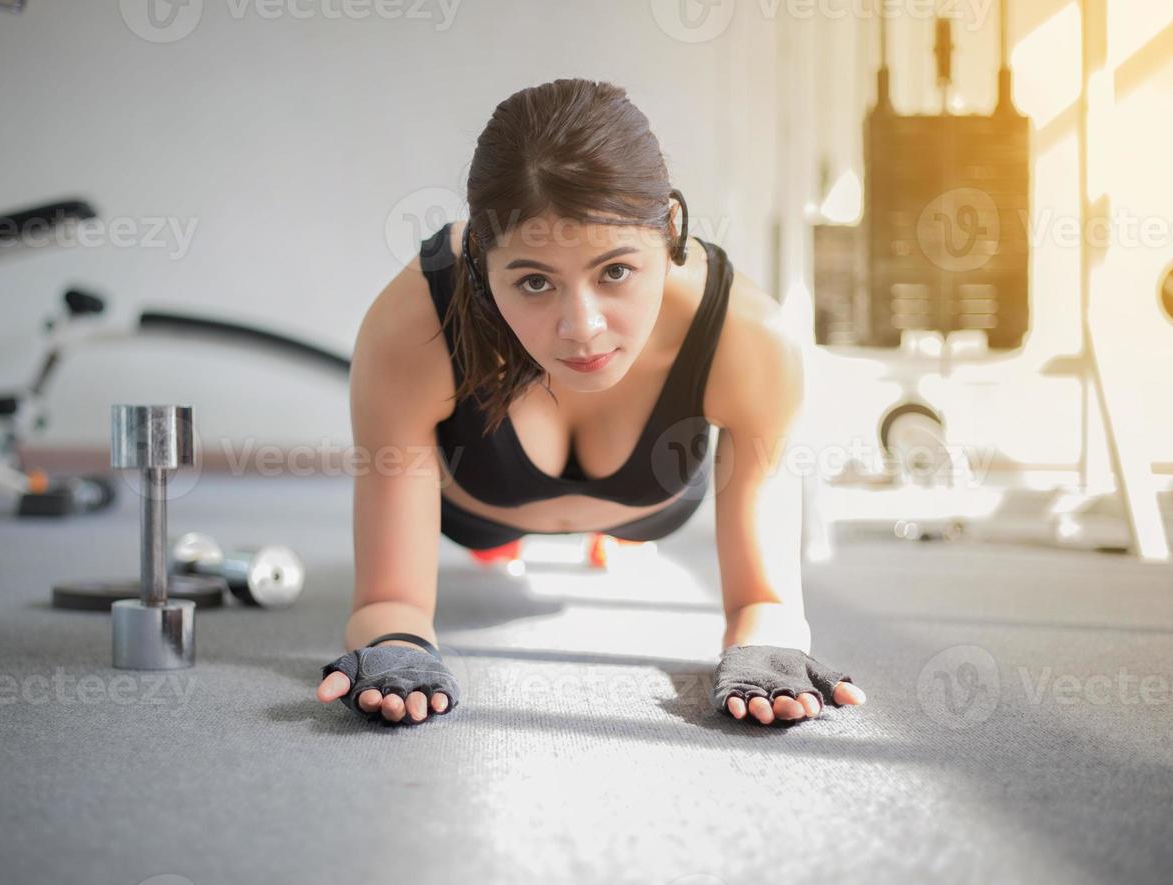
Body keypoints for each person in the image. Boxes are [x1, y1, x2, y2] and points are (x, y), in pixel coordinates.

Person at [317, 78, 865, 727]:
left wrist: (769, 650)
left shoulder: (752, 339)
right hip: (478, 510)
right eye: (533, 281)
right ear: (478, 266)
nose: (582, 328)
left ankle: (613, 538)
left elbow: (766, 599)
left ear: (671, 233)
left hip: (646, 508)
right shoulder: (412, 325)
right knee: (491, 544)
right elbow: (389, 601)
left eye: (614, 272)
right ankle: (510, 546)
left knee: (631, 534)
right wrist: (396, 647)